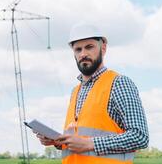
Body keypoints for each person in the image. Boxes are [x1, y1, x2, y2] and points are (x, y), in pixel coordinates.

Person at [35, 23, 149, 164]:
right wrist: (58, 141)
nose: (83, 54)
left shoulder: (119, 83)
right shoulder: (75, 92)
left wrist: (90, 144)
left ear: (103, 48)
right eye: (78, 49)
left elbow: (140, 136)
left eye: (89, 47)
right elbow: (80, 142)